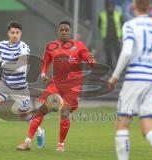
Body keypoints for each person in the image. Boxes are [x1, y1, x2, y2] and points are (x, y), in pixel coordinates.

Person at [108, 0, 152, 159]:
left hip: (135, 78)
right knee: (148, 128)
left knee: (122, 123)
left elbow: (126, 53)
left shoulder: (130, 25)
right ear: (150, 8)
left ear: (133, 7)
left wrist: (115, 76)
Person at [16, 21, 95, 152]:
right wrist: (43, 73)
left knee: (64, 113)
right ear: (58, 31)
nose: (64, 32)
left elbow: (90, 63)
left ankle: (60, 145)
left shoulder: (79, 46)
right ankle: (27, 142)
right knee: (42, 110)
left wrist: (92, 60)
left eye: (66, 30)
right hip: (56, 85)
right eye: (61, 30)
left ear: (69, 32)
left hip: (73, 87)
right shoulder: (51, 46)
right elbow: (46, 62)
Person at [98, 0, 123, 67]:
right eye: (108, 6)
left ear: (113, 6)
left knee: (117, 52)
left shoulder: (118, 14)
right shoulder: (102, 15)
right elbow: (99, 25)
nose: (110, 8)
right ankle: (110, 66)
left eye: (111, 6)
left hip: (116, 37)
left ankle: (119, 67)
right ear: (106, 7)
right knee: (108, 52)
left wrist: (121, 36)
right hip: (107, 37)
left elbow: (122, 24)